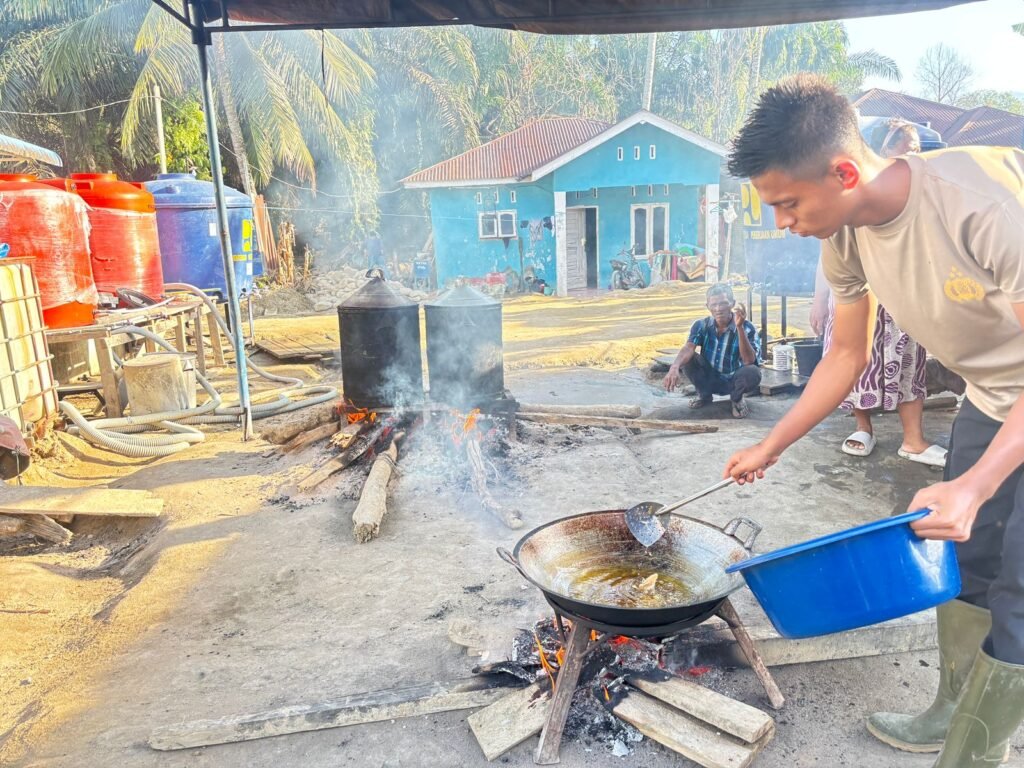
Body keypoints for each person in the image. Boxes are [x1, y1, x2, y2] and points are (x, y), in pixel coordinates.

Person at [725, 73, 1024, 767]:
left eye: (788, 203)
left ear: (844, 172)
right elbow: (846, 355)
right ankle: (951, 713)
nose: (782, 222)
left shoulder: (985, 205)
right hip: (995, 398)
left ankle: (973, 757)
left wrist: (975, 485)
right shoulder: (847, 233)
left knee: (1020, 596)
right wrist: (771, 445)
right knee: (969, 562)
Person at [809, 121, 946, 467]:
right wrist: (819, 300)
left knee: (910, 363)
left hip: (903, 297)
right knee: (859, 362)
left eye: (917, 148)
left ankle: (913, 439)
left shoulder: (920, 193)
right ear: (882, 151)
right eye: (908, 147)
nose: (915, 154)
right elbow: (830, 254)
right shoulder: (853, 196)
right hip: (858, 296)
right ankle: (863, 428)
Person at [664, 283, 762, 419]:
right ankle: (704, 395)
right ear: (707, 306)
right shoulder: (701, 325)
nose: (718, 309)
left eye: (723, 304)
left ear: (732, 304)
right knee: (689, 359)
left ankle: (737, 399)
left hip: (734, 381)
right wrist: (674, 367)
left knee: (753, 371)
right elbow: (689, 347)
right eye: (714, 305)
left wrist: (739, 328)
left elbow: (748, 360)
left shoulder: (747, 327)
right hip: (710, 379)